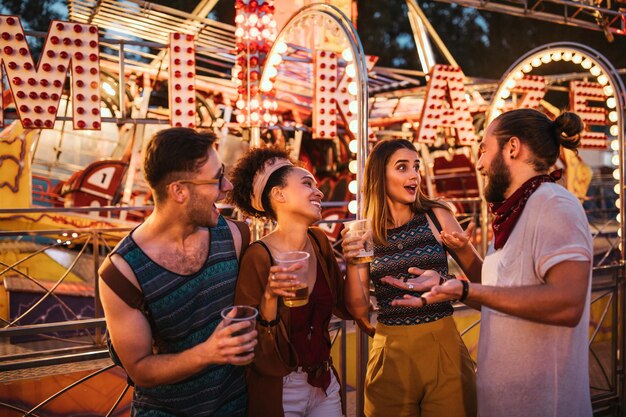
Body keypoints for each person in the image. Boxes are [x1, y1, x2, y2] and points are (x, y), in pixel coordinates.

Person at [393, 109, 593, 417]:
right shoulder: (519, 209)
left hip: (544, 406)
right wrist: (459, 265)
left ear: (512, 148)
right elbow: (499, 296)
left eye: (484, 149)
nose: (479, 164)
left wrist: (461, 290)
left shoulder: (554, 205)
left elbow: (567, 304)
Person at [98, 128, 257, 416]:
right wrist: (209, 353)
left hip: (236, 406)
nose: (228, 185)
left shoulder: (235, 236)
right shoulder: (122, 272)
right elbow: (141, 370)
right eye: (217, 178)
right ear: (179, 191)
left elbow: (260, 303)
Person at [342, 138, 482, 417]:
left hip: (444, 346)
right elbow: (357, 310)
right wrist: (352, 263)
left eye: (416, 167)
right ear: (379, 176)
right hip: (390, 352)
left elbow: (483, 286)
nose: (413, 175)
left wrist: (464, 248)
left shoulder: (437, 214)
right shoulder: (365, 232)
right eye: (402, 167)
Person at [230, 147, 372, 417]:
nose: (319, 192)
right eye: (307, 183)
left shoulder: (319, 242)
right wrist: (271, 298)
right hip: (281, 387)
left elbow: (348, 308)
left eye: (316, 186)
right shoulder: (258, 256)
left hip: (324, 382)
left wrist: (355, 261)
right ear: (279, 194)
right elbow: (247, 340)